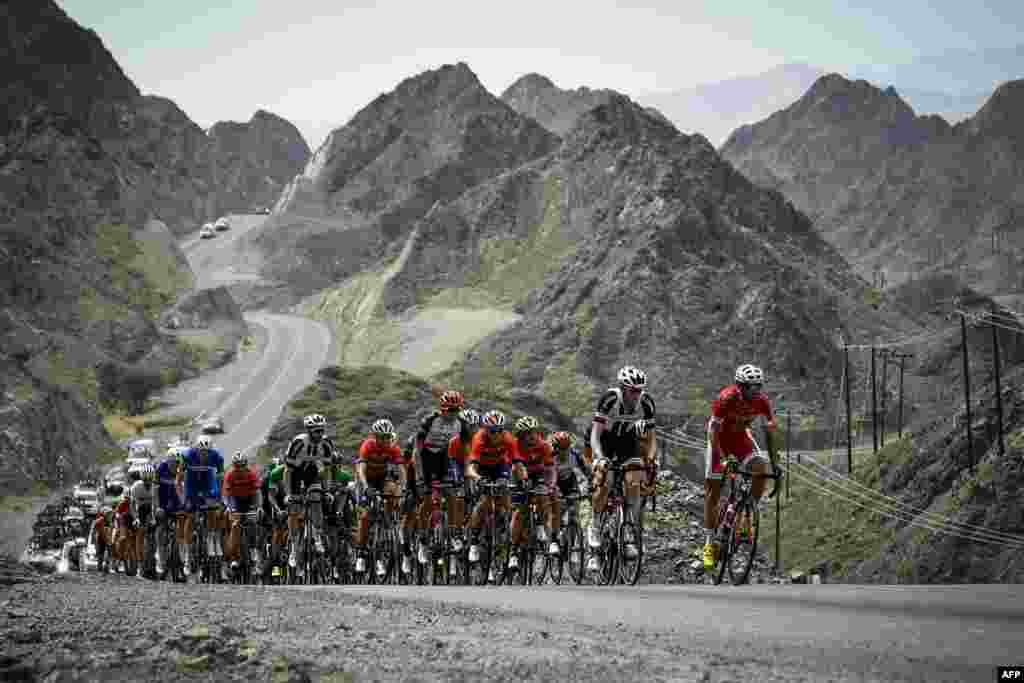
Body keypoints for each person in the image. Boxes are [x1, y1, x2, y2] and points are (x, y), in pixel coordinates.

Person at [702, 364, 780, 569]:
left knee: (761, 468)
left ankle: (746, 514)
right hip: (719, 440)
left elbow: (770, 434)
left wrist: (776, 464)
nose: (754, 391)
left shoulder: (762, 401)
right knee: (714, 491)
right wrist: (723, 458)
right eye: (750, 387)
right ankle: (709, 543)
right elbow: (713, 430)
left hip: (741, 440)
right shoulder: (726, 398)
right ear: (740, 386)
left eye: (758, 386)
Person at [587, 365, 657, 572]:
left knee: (635, 480)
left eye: (639, 390)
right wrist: (599, 457)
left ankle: (627, 529)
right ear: (622, 387)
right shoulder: (610, 399)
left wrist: (651, 460)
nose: (637, 394)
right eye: (633, 390)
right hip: (605, 441)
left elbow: (652, 438)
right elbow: (595, 434)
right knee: (605, 481)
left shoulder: (646, 402)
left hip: (628, 441)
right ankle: (595, 527)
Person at [408, 390, 475, 573]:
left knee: (452, 494)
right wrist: (421, 477)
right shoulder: (430, 421)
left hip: (445, 458)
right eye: (449, 410)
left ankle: (453, 534)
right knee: (428, 500)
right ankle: (422, 542)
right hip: (426, 457)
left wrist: (468, 476)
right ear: (442, 409)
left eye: (456, 410)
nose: (452, 413)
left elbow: (467, 453)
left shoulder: (462, 424)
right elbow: (417, 451)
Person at [466, 410, 521, 566]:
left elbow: (517, 464)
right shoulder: (479, 439)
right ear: (485, 430)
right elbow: (470, 468)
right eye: (492, 431)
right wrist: (478, 479)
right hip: (482, 468)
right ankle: (474, 542)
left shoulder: (508, 439)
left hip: (499, 466)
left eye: (499, 431)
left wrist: (522, 480)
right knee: (484, 502)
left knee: (505, 498)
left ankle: (505, 530)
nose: (496, 434)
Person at [283, 414, 335, 576]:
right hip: (295, 474)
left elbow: (326, 470)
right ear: (309, 431)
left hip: (312, 472)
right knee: (294, 509)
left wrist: (326, 490)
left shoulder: (326, 444)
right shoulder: (299, 442)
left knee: (316, 497)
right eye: (316, 431)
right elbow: (288, 470)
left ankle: (317, 535)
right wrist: (288, 494)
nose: (320, 434)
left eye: (322, 430)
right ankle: (293, 547)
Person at [354, 418, 403, 577]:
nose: (385, 440)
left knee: (392, 490)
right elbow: (361, 469)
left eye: (388, 437)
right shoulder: (368, 445)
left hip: (382, 479)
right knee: (366, 515)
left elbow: (401, 470)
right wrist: (366, 487)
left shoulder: (393, 448)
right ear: (375, 436)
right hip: (365, 480)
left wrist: (404, 487)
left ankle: (388, 521)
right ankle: (361, 554)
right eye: (381, 437)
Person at [510, 416, 559, 562]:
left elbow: (551, 469)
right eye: (527, 433)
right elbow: (515, 468)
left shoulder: (544, 446)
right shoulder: (515, 446)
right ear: (520, 436)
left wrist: (550, 486)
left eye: (534, 432)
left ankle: (550, 537)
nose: (532, 436)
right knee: (520, 511)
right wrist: (521, 482)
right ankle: (513, 551)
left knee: (545, 499)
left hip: (539, 475)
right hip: (519, 475)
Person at [181, 435, 226, 569]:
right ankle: (188, 553)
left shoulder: (217, 457)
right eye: (202, 452)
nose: (204, 454)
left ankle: (213, 538)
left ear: (211, 451)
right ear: (197, 450)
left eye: (207, 452)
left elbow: (220, 480)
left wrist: (219, 497)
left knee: (213, 511)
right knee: (190, 516)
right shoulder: (188, 456)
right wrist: (185, 497)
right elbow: (181, 477)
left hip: (207, 485)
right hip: (191, 485)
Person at [222, 451, 264, 575]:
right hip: (235, 501)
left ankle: (253, 552)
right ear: (234, 466)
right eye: (237, 466)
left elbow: (257, 492)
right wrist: (229, 507)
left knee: (253, 524)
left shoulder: (251, 474)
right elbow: (226, 494)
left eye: (242, 465)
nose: (240, 468)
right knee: (235, 525)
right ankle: (234, 557)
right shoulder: (230, 475)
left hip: (249, 500)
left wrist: (259, 507)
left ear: (246, 465)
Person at [548, 431, 590, 551]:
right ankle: (554, 540)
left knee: (575, 511)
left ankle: (574, 542)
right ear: (555, 448)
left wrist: (591, 485)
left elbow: (587, 471)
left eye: (566, 448)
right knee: (558, 510)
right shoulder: (550, 456)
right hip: (555, 483)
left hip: (570, 483)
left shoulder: (575, 455)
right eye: (560, 449)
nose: (564, 451)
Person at [155, 446, 186, 575]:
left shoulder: (183, 472)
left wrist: (186, 506)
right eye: (173, 463)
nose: (175, 466)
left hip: (177, 505)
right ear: (167, 462)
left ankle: (184, 560)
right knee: (161, 532)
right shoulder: (160, 469)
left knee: (184, 530)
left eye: (177, 463)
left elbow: (186, 491)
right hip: (162, 504)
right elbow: (154, 491)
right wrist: (157, 506)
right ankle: (161, 561)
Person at [127, 464, 158, 577]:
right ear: (142, 478)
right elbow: (132, 505)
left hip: (149, 511)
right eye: (145, 480)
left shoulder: (154, 487)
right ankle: (140, 566)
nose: (148, 482)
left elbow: (155, 505)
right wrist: (136, 519)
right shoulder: (136, 487)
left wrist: (153, 518)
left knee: (152, 538)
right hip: (138, 511)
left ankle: (152, 562)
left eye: (150, 480)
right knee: (140, 534)